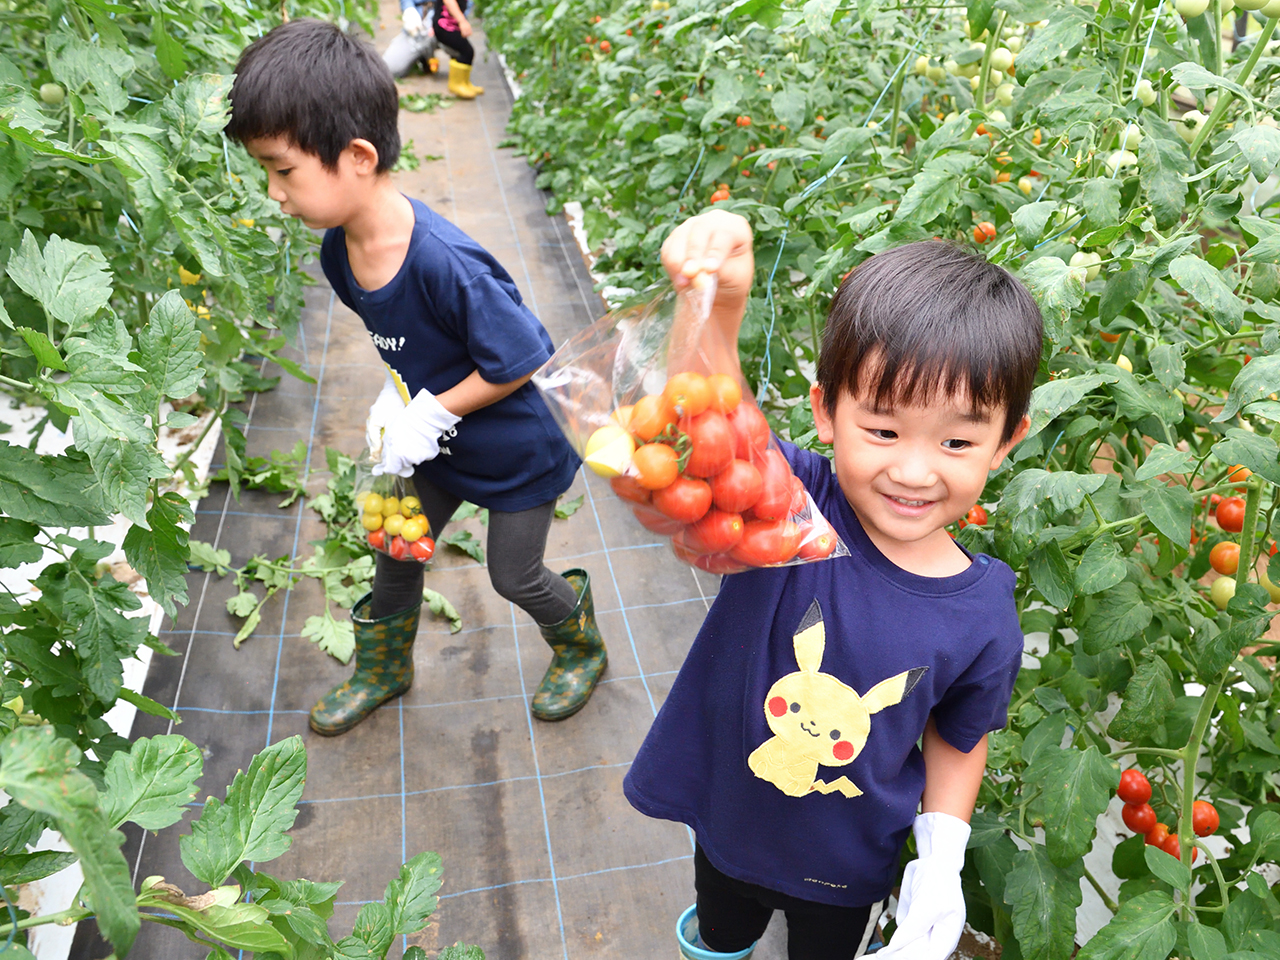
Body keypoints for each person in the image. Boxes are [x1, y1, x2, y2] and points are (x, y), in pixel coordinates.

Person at [622, 210, 1041, 960]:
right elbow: (719, 424)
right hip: (727, 822)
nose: (914, 471)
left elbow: (959, 731)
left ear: (1007, 440)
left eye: (957, 440)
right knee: (722, 932)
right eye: (882, 429)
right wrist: (721, 307)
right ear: (826, 411)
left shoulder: (981, 611)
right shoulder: (791, 505)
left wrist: (940, 859)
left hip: (848, 866)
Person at [224, 19, 606, 736]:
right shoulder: (340, 254)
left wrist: (427, 413)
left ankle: (581, 645)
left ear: (357, 156)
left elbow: (522, 358)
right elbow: (408, 348)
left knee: (513, 574)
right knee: (392, 542)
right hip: (444, 446)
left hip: (519, 449)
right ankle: (384, 668)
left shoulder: (444, 263)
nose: (274, 192)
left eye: (283, 170)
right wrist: (396, 398)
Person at [383, 0, 438, 79]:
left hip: (448, 21)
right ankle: (423, 56)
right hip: (416, 27)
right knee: (390, 68)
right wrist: (409, 10)